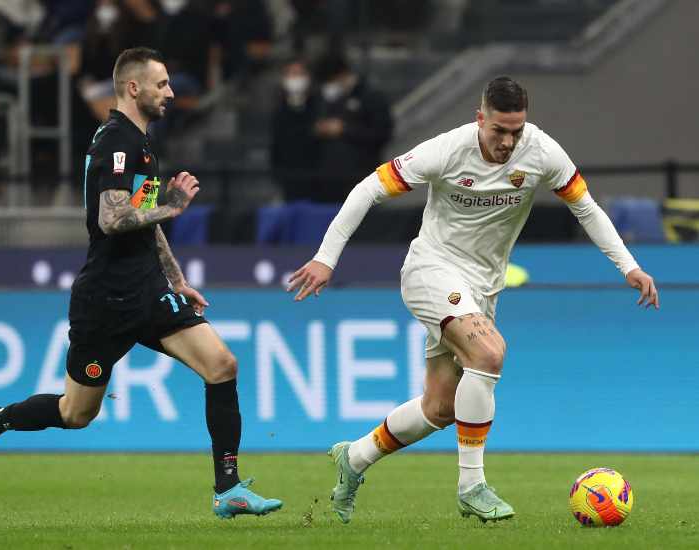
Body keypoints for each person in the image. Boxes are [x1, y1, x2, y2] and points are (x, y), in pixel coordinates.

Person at [287, 76, 659, 523]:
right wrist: (326, 258)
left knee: (441, 407)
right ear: (479, 118)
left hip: (483, 287)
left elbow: (586, 209)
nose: (507, 141)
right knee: (490, 352)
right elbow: (368, 189)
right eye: (498, 130)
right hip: (431, 269)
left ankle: (356, 458)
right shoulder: (446, 150)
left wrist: (630, 267)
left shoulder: (542, 152)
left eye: (515, 131)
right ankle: (472, 486)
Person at [0, 47, 282, 519]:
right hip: (106, 300)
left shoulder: (142, 144)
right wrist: (173, 206)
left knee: (221, 364)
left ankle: (227, 488)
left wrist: (177, 278)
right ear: (134, 88)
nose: (170, 93)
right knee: (76, 414)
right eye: (162, 84)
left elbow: (144, 224)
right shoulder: (117, 141)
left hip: (149, 291)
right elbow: (113, 219)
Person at [311, 51, 393, 203]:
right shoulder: (328, 101)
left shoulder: (371, 96)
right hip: (330, 180)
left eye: (331, 81)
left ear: (342, 75)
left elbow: (382, 133)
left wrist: (345, 130)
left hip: (363, 178)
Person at [269, 57, 318, 202]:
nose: (295, 79)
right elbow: (276, 147)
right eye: (291, 74)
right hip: (288, 180)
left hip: (317, 180)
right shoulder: (278, 113)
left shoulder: (318, 107)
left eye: (299, 74)